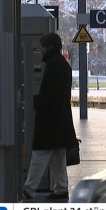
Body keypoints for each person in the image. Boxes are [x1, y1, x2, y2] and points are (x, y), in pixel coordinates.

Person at [23, 32, 77, 201]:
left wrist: (38, 104)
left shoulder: (54, 65)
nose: (42, 50)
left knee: (40, 155)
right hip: (60, 119)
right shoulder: (62, 64)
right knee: (57, 156)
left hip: (50, 120)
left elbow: (51, 95)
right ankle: (61, 188)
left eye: (43, 46)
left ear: (50, 47)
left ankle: (29, 188)